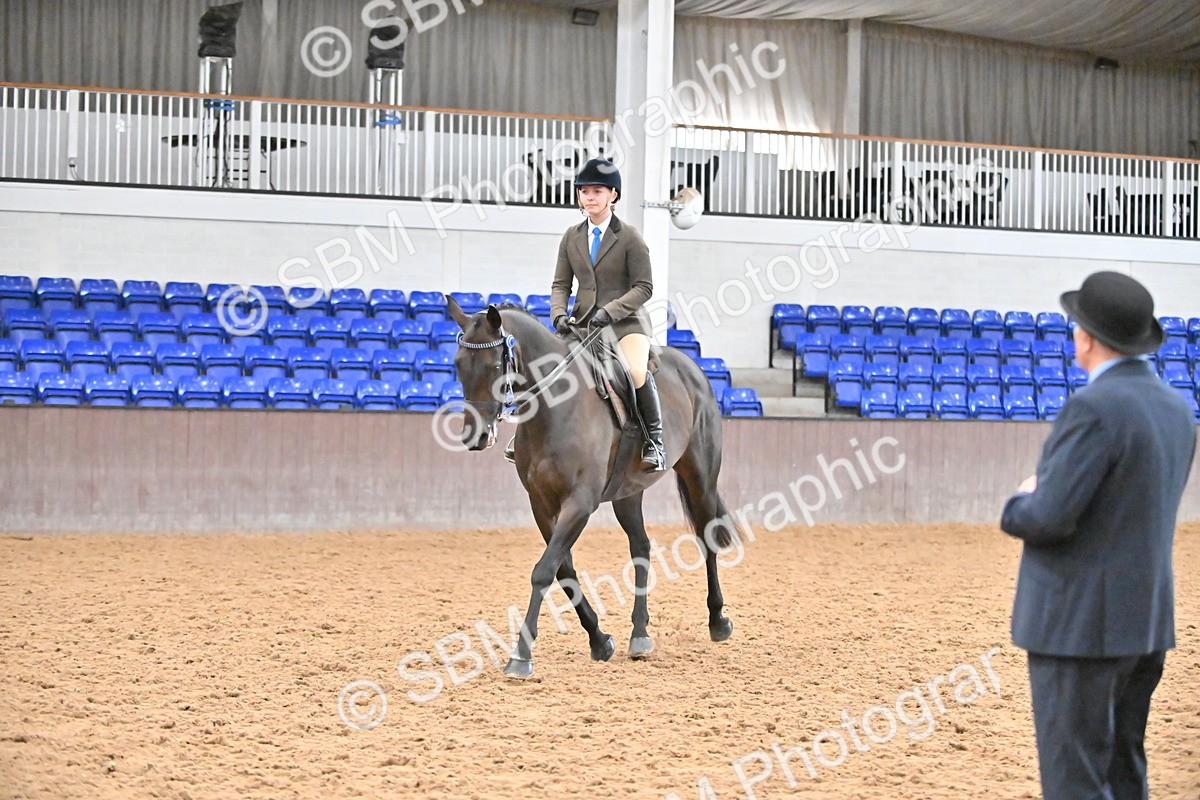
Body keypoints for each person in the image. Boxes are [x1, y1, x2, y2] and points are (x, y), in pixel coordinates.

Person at [1000, 271, 1195, 800]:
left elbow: (1048, 517)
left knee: (1074, 779)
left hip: (1080, 626)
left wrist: (1021, 498)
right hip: (1145, 621)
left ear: (1085, 337)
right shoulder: (1178, 410)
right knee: (1125, 770)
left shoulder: (1091, 408)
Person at [507, 157, 664, 471]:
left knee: (634, 371)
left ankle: (654, 441)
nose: (589, 197)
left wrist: (610, 310)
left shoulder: (630, 237)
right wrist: (558, 314)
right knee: (546, 369)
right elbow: (560, 283)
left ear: (613, 196)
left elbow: (644, 287)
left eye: (597, 191)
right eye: (584, 191)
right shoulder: (572, 237)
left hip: (625, 325)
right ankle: (523, 436)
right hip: (582, 326)